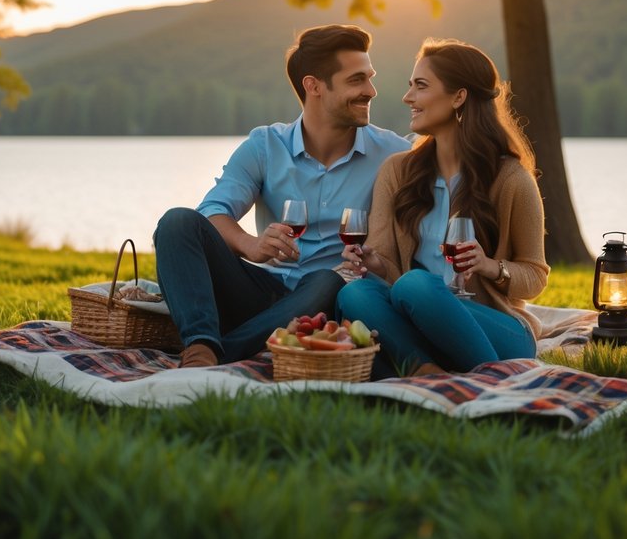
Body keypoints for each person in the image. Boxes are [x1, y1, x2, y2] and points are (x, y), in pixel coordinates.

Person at [153, 24, 412, 367]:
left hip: (332, 304)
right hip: (260, 291)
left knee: (330, 278)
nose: (371, 91)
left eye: (370, 77)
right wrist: (251, 245)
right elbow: (213, 211)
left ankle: (221, 353)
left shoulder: (393, 154)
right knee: (176, 223)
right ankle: (200, 344)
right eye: (357, 80)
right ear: (314, 85)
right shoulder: (264, 146)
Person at [336, 38, 549, 377]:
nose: (408, 98)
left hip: (495, 329)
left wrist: (490, 267)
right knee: (357, 292)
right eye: (410, 86)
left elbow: (535, 276)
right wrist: (375, 263)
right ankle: (426, 372)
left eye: (420, 86)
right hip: (418, 318)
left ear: (458, 97)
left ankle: (488, 379)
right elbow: (389, 268)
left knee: (414, 285)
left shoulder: (510, 179)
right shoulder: (397, 172)